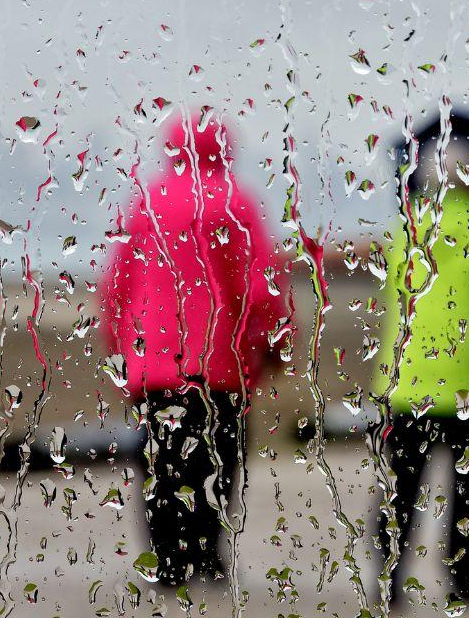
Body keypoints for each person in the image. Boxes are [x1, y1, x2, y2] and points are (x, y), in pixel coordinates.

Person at [100, 113, 288, 586]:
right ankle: (206, 551)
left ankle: (167, 559)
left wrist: (117, 345)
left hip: (153, 360)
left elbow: (118, 285)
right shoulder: (232, 201)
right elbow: (259, 286)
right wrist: (276, 342)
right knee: (218, 458)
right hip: (217, 360)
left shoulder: (147, 202)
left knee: (161, 461)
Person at [371, 137, 469, 606]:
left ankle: (388, 574)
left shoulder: (407, 230)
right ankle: (465, 576)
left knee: (400, 485)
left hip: (405, 384)